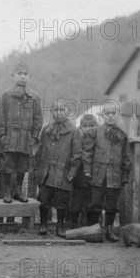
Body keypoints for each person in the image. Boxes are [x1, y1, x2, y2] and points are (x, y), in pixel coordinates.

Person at [83, 104, 132, 242]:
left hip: (114, 175)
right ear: (103, 116)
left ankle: (109, 231)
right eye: (107, 113)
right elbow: (88, 153)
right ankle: (92, 230)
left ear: (117, 115)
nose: (110, 115)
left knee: (111, 205)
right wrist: (87, 170)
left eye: (113, 113)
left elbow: (127, 156)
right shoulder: (96, 132)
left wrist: (125, 176)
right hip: (98, 174)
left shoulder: (122, 134)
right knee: (95, 203)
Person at [0, 62, 43, 203]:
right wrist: (3, 135)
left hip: (25, 139)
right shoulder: (6, 95)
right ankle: (7, 193)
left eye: (25, 74)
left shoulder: (34, 97)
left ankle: (17, 191)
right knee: (7, 167)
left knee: (22, 167)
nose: (22, 77)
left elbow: (38, 119)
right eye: (19, 74)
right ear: (13, 75)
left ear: (30, 77)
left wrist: (34, 137)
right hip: (9, 139)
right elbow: (0, 117)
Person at [35, 101, 82, 237]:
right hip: (47, 171)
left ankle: (60, 226)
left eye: (62, 110)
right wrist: (38, 168)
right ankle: (43, 224)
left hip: (63, 171)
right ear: (52, 112)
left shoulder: (73, 131)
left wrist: (72, 172)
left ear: (68, 112)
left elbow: (77, 154)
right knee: (44, 200)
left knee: (61, 202)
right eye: (56, 110)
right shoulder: (46, 129)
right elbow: (41, 149)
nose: (59, 112)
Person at [71, 114, 98, 228]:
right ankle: (73, 224)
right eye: (85, 126)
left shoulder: (98, 139)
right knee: (76, 200)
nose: (88, 129)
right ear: (80, 127)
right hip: (78, 174)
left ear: (97, 126)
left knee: (92, 200)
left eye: (91, 126)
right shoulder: (77, 138)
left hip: (93, 174)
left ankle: (90, 224)